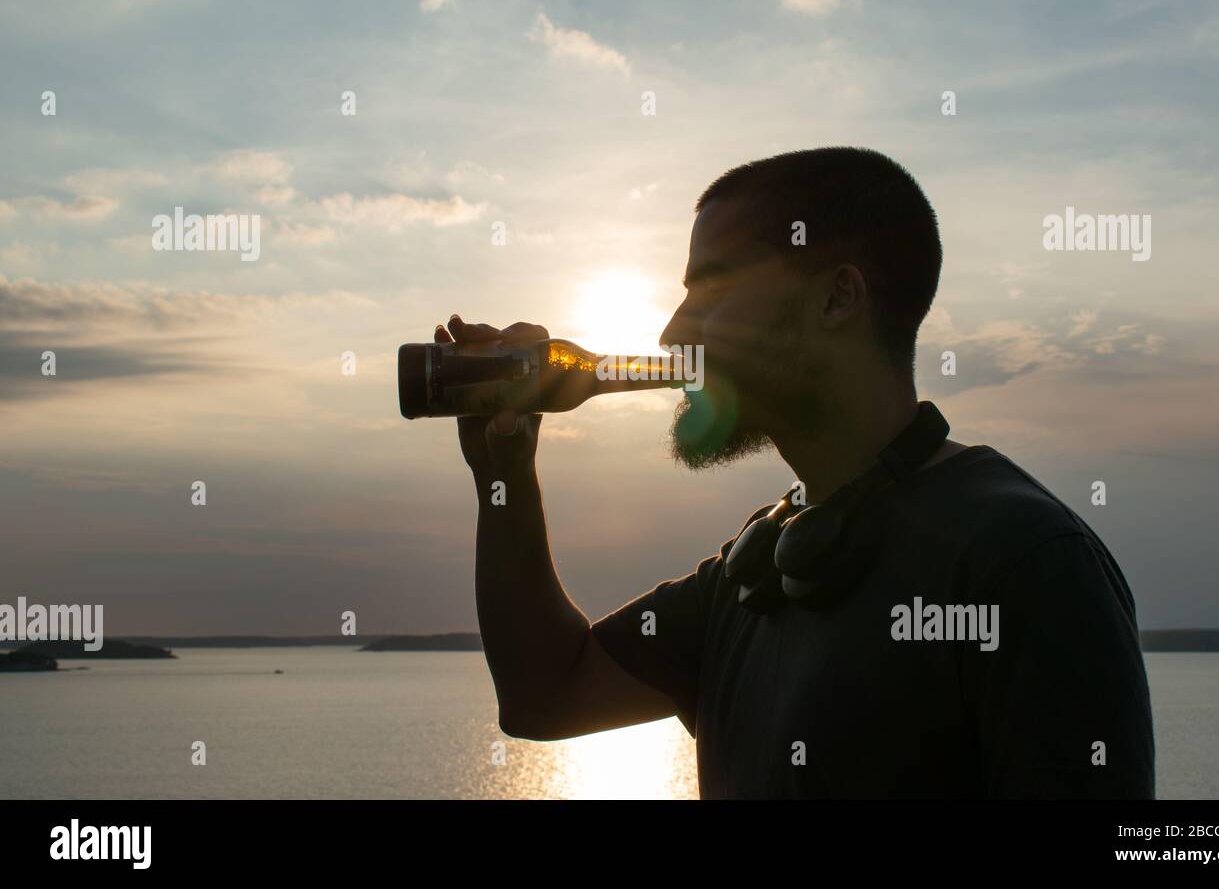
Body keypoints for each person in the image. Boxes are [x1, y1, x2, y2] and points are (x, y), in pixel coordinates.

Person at [436, 146, 1156, 798]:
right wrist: (504, 478)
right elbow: (543, 695)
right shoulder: (761, 569)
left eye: (711, 290)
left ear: (838, 296)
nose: (672, 333)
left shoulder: (1025, 563)